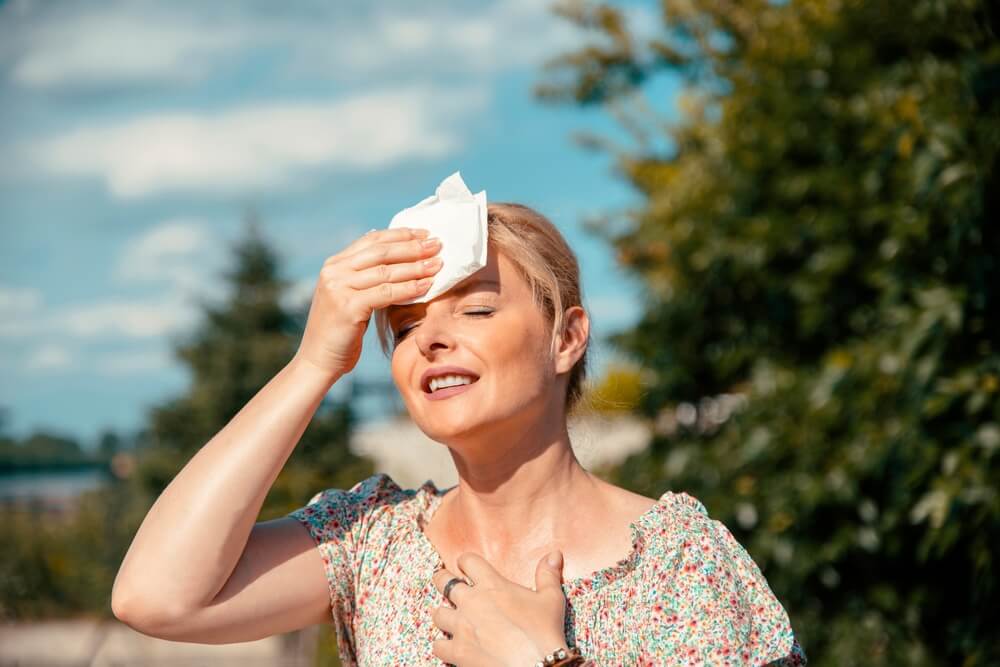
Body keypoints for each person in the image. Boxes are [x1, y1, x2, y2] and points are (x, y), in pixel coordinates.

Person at [111, 202, 807, 666]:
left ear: (566, 338)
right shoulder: (371, 543)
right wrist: (315, 361)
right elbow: (157, 595)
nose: (432, 339)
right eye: (407, 327)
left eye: (475, 309)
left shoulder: (684, 561)